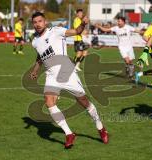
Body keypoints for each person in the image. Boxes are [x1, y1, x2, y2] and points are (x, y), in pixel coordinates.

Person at [29, 12, 109, 149]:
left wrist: (83, 23)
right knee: (49, 102)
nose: (37, 24)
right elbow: (40, 56)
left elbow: (77, 31)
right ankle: (69, 134)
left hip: (66, 72)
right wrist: (35, 70)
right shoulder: (34, 41)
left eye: (40, 21)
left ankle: (100, 127)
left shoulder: (57, 31)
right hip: (51, 76)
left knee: (84, 102)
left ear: (45, 21)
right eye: (35, 22)